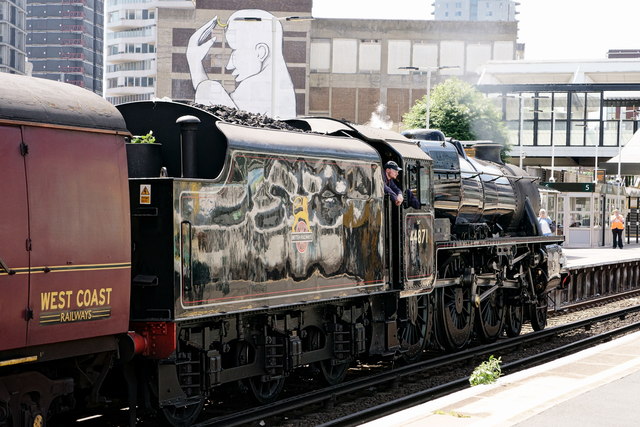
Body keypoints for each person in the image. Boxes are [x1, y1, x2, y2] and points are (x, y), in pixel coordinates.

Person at [186, 10, 296, 118]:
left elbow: (217, 116)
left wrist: (194, 61)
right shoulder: (278, 86)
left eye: (234, 51)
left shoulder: (256, 87)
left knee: (208, 88)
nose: (229, 65)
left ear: (260, 52)